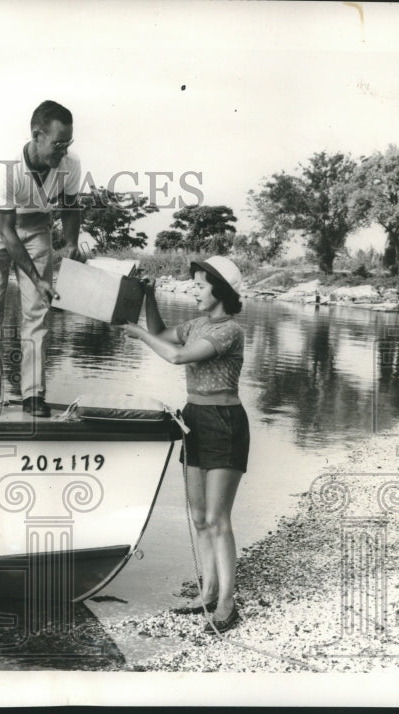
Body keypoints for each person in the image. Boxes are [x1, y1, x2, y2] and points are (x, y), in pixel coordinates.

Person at [119, 256, 249, 634]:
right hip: (194, 420)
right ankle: (208, 592)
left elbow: (175, 356)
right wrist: (148, 298)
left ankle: (228, 603)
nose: (194, 290)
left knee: (217, 519)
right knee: (198, 517)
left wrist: (139, 335)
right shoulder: (195, 324)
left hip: (225, 424)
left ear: (219, 291)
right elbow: (162, 334)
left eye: (200, 285)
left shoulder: (229, 331)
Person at [0, 100, 99, 418]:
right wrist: (36, 278)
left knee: (38, 312)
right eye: (58, 144)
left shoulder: (70, 164)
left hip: (38, 225)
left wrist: (71, 243)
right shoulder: (7, 169)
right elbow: (6, 230)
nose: (64, 152)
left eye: (68, 144)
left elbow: (71, 207)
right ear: (36, 135)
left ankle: (33, 396)